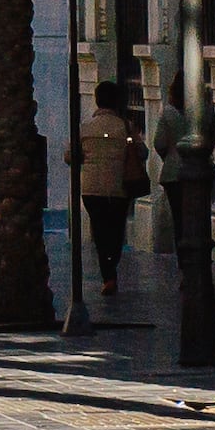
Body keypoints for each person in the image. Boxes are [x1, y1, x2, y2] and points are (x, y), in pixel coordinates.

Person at [75, 83, 145, 295]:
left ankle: (108, 275)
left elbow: (70, 155)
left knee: (100, 230)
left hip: (91, 189)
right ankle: (110, 269)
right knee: (115, 232)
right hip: (118, 188)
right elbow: (142, 153)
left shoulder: (85, 127)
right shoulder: (125, 127)